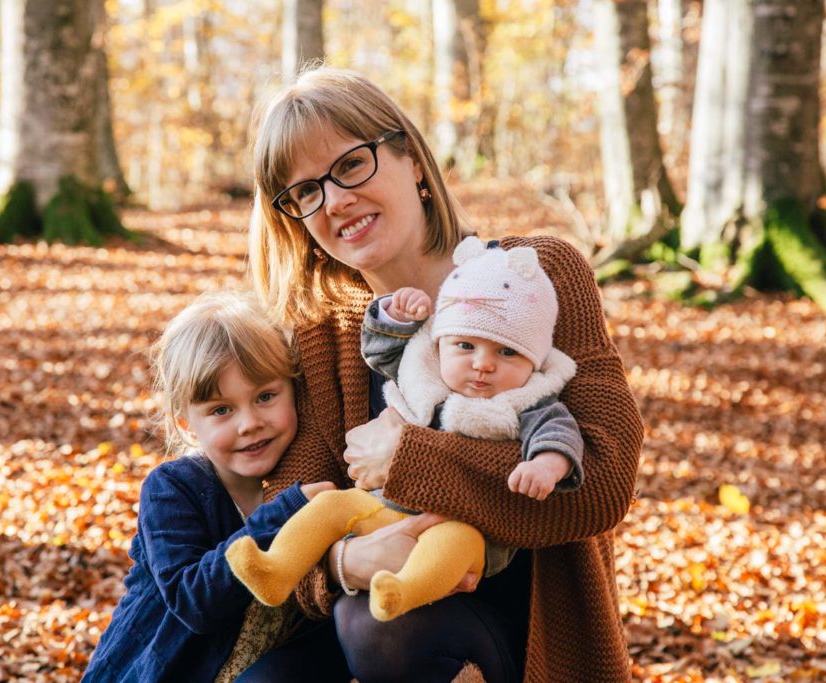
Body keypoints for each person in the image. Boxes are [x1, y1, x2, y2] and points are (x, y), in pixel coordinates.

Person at [246, 66, 644, 683]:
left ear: (410, 159)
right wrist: (346, 561)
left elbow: (604, 480)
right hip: (372, 604)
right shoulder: (321, 336)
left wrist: (409, 459)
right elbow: (287, 508)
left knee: (381, 630)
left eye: (350, 166)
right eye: (306, 193)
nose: (334, 201)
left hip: (521, 634)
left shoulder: (539, 276)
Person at [225, 236, 584, 623]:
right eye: (466, 345)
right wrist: (395, 318)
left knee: (451, 544)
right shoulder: (427, 374)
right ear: (441, 342)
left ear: (533, 361)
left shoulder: (526, 399)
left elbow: (558, 434)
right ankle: (276, 569)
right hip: (385, 508)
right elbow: (381, 352)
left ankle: (406, 590)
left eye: (507, 352)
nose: (483, 364)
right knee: (331, 505)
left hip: (466, 527)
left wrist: (546, 466)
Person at [81, 292, 344, 682]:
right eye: (222, 410)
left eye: (266, 396)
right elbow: (194, 600)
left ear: (295, 392)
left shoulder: (303, 477)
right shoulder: (174, 488)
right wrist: (287, 512)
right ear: (187, 422)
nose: (249, 423)